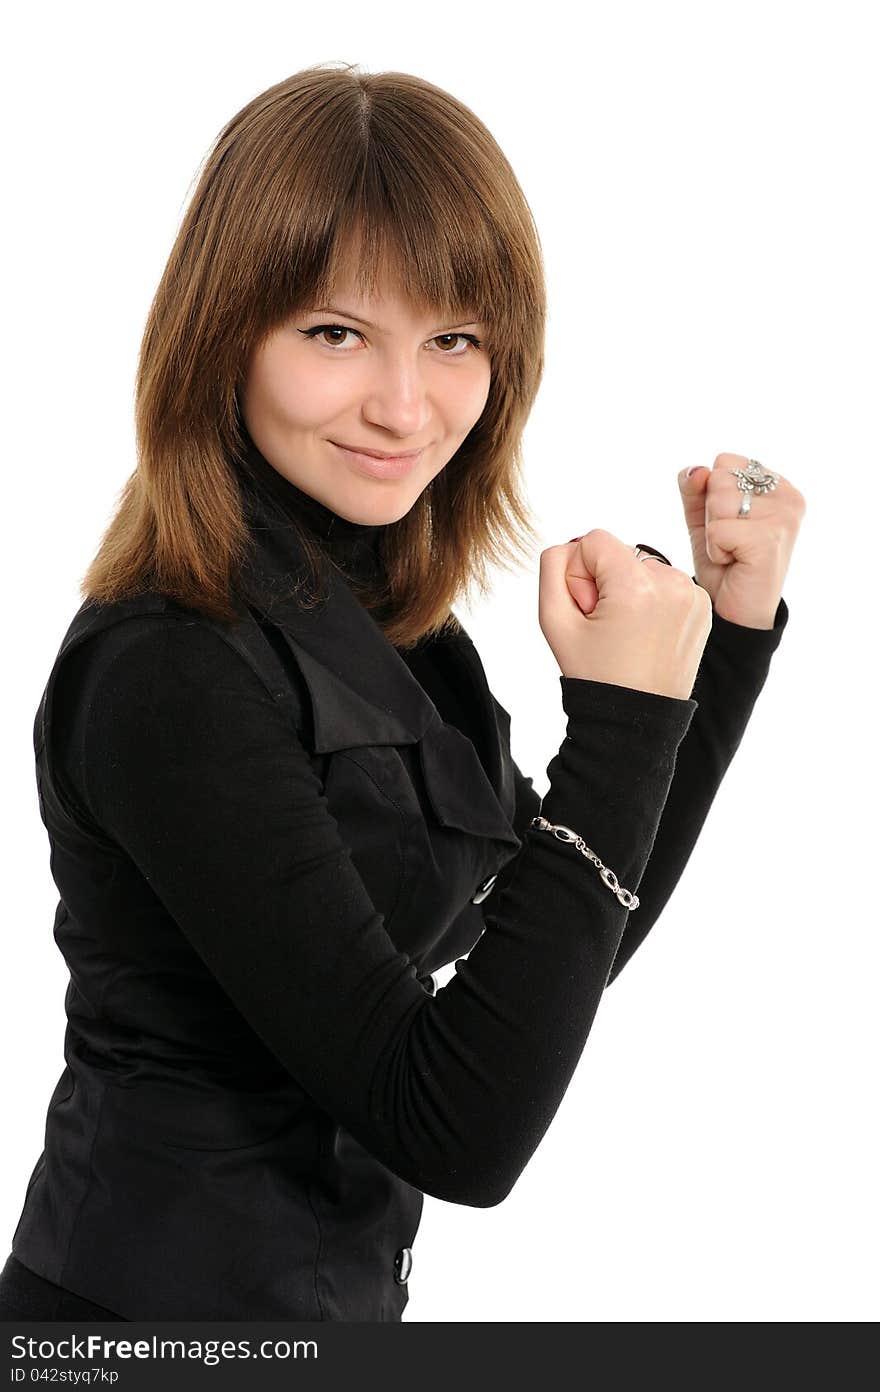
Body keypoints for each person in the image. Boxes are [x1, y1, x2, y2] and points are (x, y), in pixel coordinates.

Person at [0, 62, 803, 1324]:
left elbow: (553, 948)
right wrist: (626, 721)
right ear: (225, 335)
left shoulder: (389, 621)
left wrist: (727, 640)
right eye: (335, 333)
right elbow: (458, 1129)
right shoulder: (168, 669)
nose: (403, 406)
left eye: (453, 340)